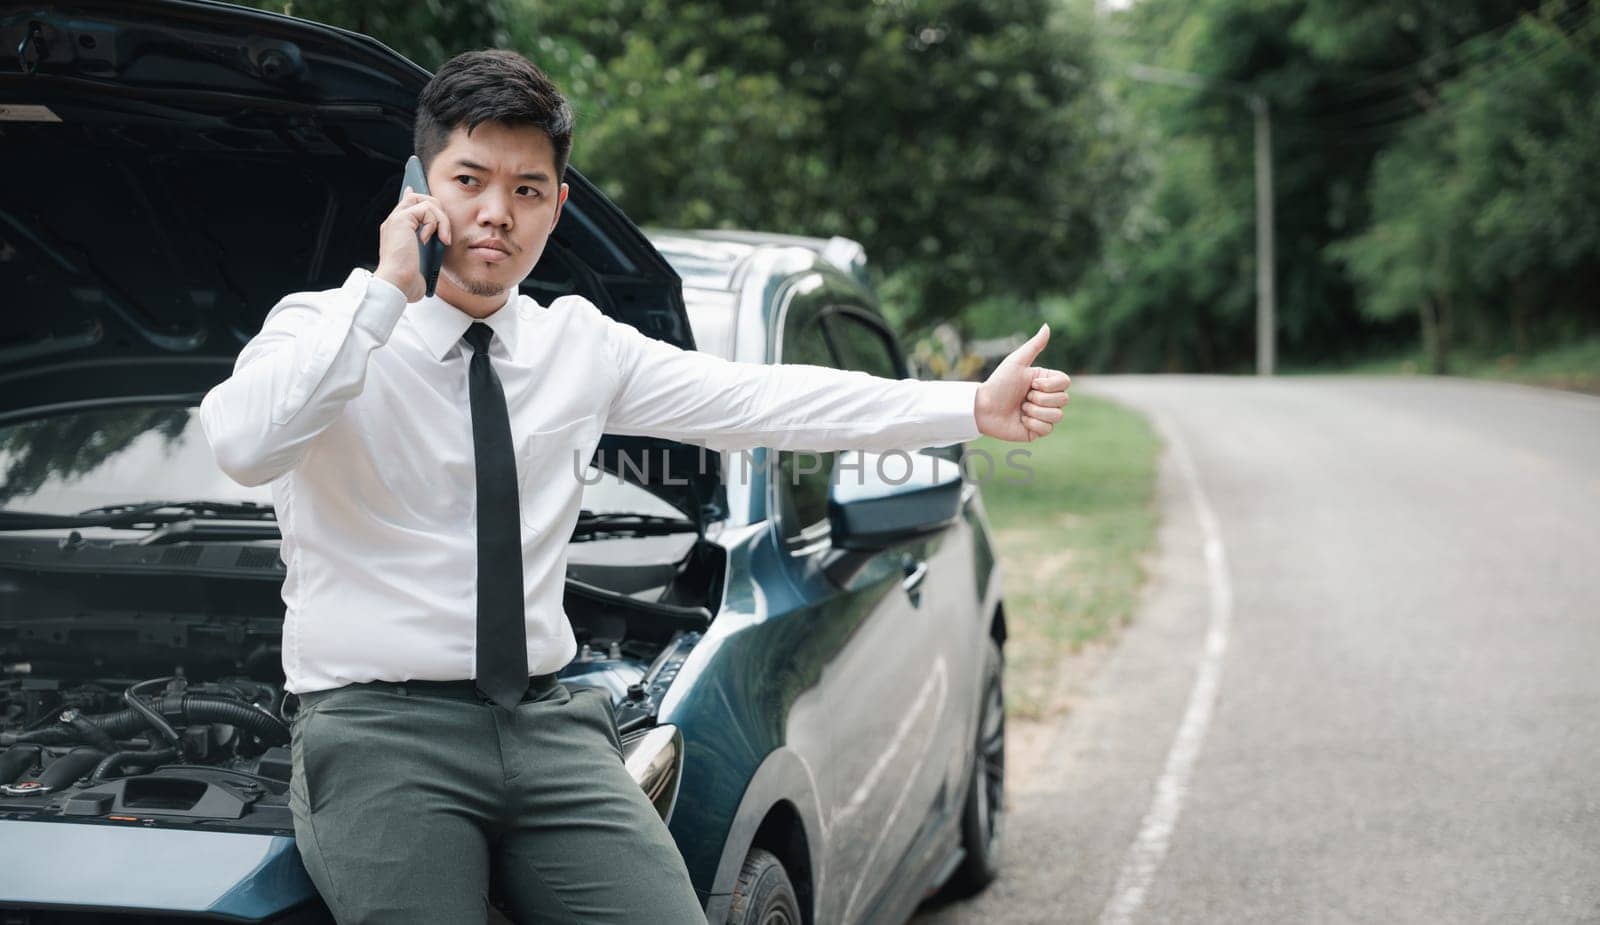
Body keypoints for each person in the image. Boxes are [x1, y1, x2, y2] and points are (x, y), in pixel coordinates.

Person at [199, 48, 1070, 925]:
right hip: (381, 734)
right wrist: (387, 288)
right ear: (418, 186)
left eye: (527, 190)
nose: (496, 213)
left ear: (557, 208)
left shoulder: (578, 344)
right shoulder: (325, 327)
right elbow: (243, 442)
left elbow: (762, 398)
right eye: (469, 180)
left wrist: (970, 405)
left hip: (547, 723)